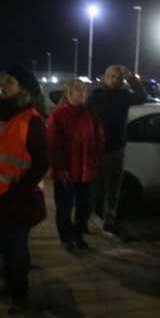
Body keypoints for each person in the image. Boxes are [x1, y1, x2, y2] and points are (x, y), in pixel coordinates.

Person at [0, 65, 49, 314]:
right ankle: (11, 281)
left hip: (20, 196)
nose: (3, 84)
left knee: (17, 244)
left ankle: (19, 292)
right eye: (4, 80)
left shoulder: (32, 119)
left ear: (22, 88)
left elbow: (42, 162)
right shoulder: (5, 114)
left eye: (9, 81)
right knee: (0, 239)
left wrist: (20, 188)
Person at [47, 78, 104, 251]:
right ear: (69, 93)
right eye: (79, 89)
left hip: (86, 170)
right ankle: (66, 238)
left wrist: (95, 157)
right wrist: (60, 168)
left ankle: (78, 235)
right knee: (64, 208)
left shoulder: (90, 113)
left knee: (85, 206)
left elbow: (99, 137)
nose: (83, 92)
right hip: (66, 171)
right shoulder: (58, 115)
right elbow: (53, 145)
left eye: (84, 89)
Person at [89, 64, 147, 235]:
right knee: (93, 188)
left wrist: (131, 78)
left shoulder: (125, 95)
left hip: (117, 148)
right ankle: (85, 220)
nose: (115, 80)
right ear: (106, 77)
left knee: (114, 189)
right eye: (112, 76)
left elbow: (142, 97)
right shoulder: (97, 95)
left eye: (118, 78)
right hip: (98, 148)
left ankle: (109, 220)